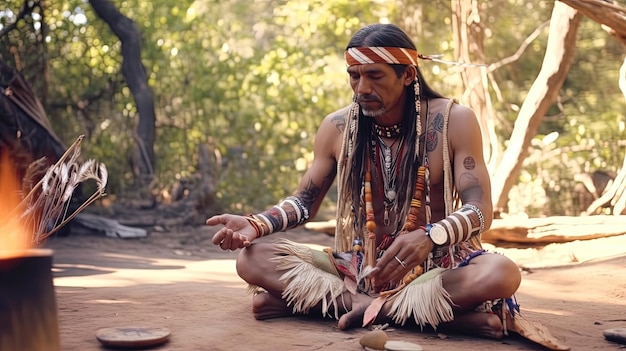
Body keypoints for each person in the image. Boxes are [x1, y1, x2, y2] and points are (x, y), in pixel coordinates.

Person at [207, 23, 568, 351]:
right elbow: (305, 201)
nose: (362, 88)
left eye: (375, 76)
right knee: (252, 258)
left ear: (408, 74)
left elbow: (479, 209)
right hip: (363, 268)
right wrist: (256, 224)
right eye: (354, 76)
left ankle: (333, 307)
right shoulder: (336, 127)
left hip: (439, 267)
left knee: (501, 273)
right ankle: (407, 313)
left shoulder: (454, 120)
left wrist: (432, 236)